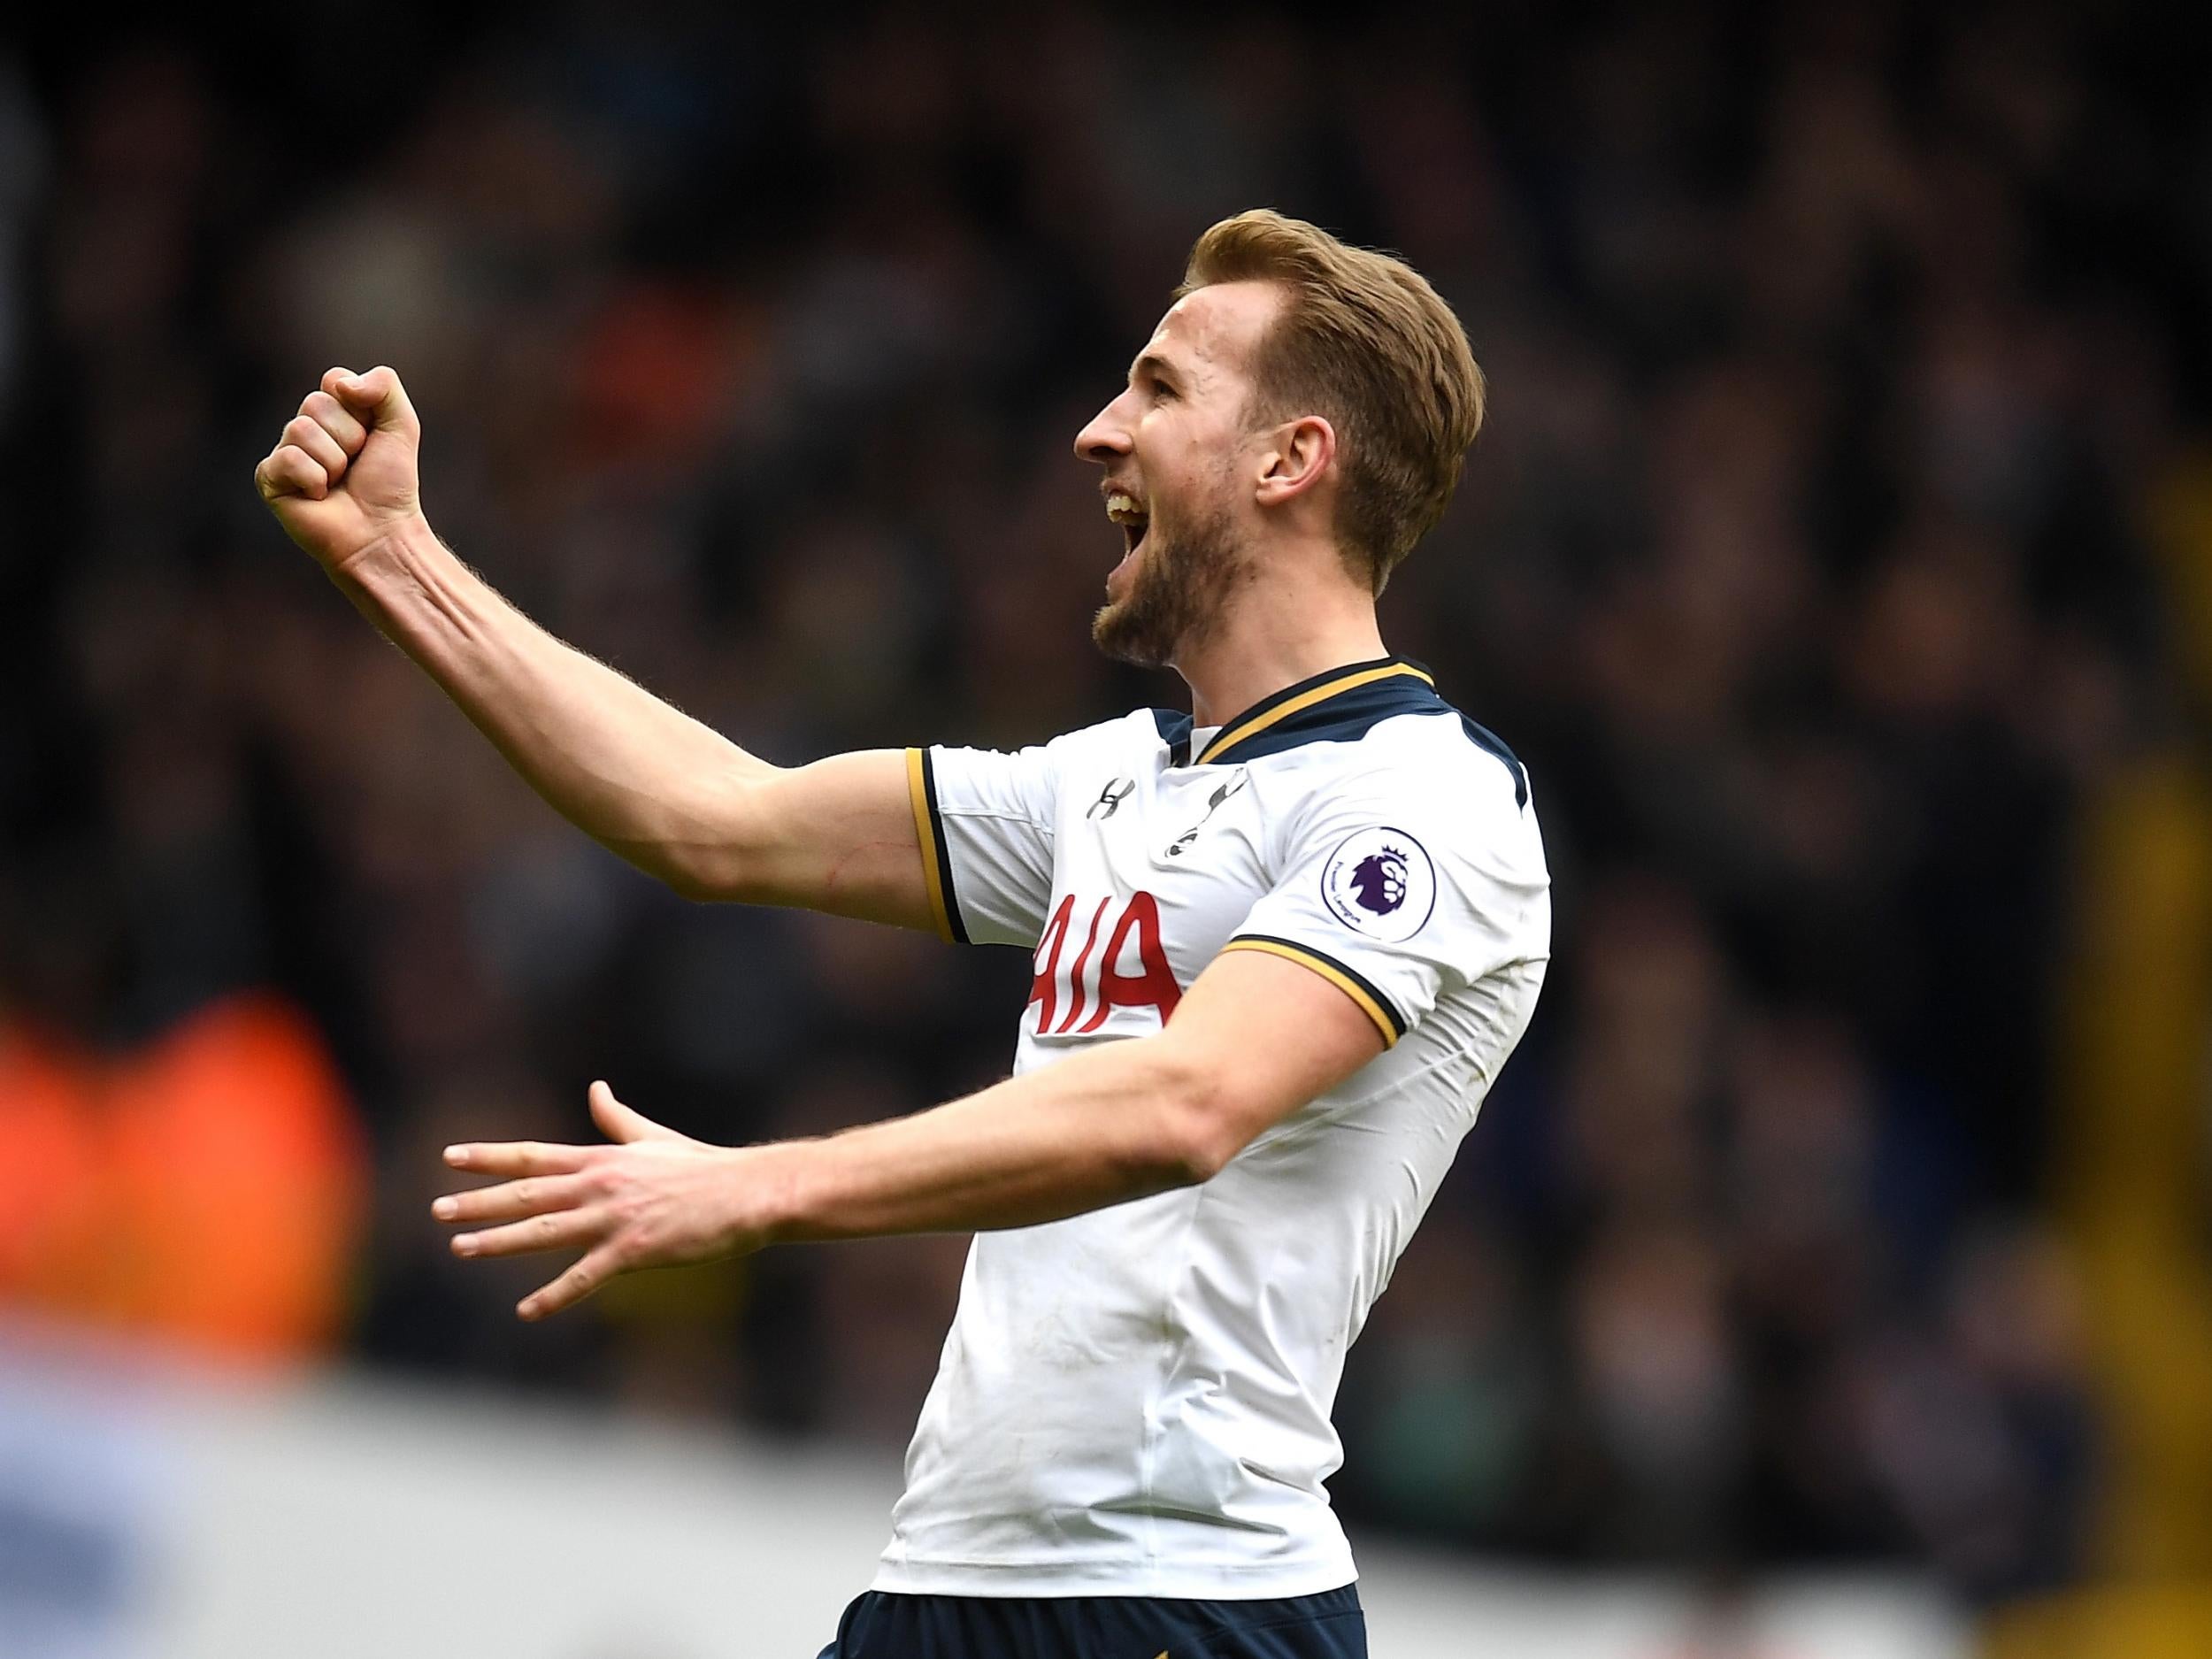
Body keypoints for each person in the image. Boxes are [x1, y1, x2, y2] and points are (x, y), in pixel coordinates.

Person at [255, 209, 1550, 1659]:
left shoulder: (1425, 801)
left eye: (1163, 388)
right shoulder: (1113, 781)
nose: (1097, 433)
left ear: (1289, 460)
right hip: (953, 1587)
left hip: (1182, 1607)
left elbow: (1190, 1103)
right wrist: (393, 557)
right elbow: (715, 817)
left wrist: (763, 1189)